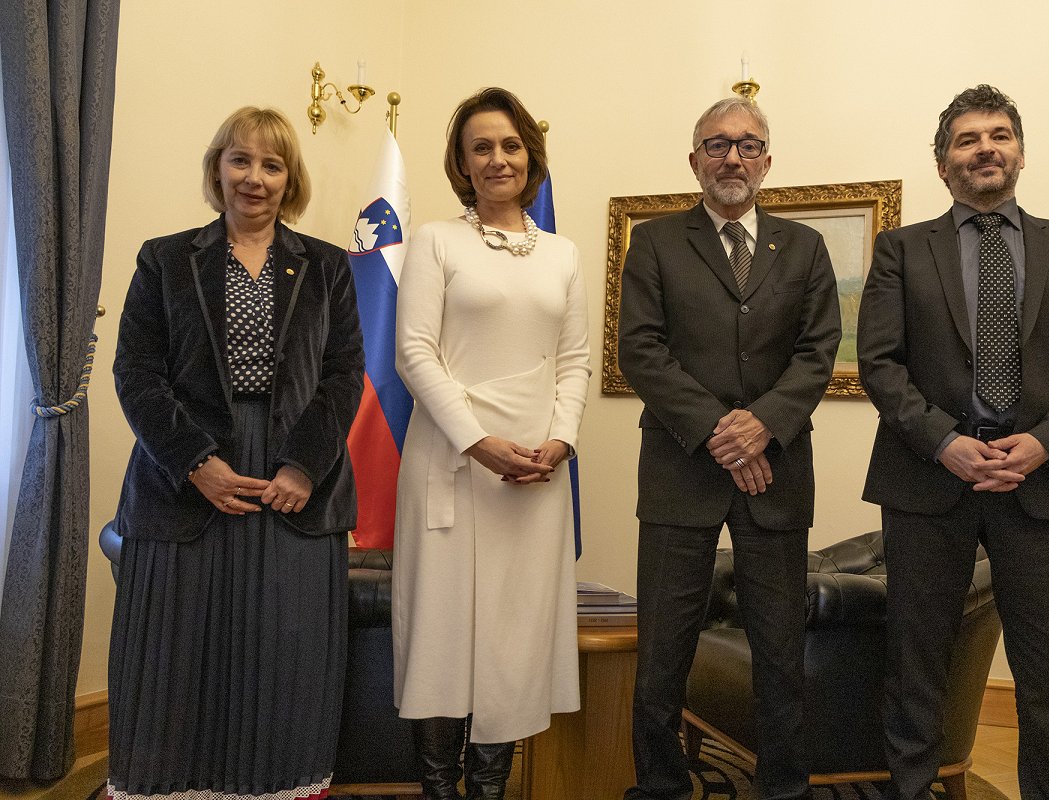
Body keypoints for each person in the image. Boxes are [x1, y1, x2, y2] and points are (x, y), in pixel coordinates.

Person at [857, 84, 1049, 800]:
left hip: (1043, 483)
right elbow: (880, 364)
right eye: (967, 139)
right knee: (916, 669)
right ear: (943, 164)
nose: (985, 148)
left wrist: (1043, 443)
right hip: (926, 483)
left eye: (999, 135)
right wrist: (942, 441)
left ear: (1021, 153)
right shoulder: (900, 250)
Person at [108, 107, 364, 800]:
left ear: (291, 180)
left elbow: (344, 375)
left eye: (272, 165)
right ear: (217, 166)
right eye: (241, 160)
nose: (255, 178)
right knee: (171, 656)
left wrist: (302, 467)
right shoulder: (164, 259)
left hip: (296, 481)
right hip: (183, 476)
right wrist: (196, 462)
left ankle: (277, 786)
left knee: (283, 658)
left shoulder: (328, 266)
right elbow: (136, 373)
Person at [618, 96, 842, 800]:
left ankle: (782, 787)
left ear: (768, 161)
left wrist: (763, 424)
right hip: (680, 470)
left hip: (775, 471)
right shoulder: (655, 242)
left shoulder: (803, 246)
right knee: (661, 654)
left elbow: (817, 351)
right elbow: (641, 352)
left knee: (779, 651)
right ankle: (660, 786)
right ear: (694, 161)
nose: (732, 157)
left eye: (748, 145)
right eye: (716, 145)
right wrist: (724, 429)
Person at [391, 87, 590, 800]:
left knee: (510, 644)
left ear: (530, 156)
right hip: (451, 464)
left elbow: (574, 363)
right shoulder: (437, 242)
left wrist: (560, 443)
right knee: (442, 638)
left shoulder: (564, 253)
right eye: (482, 147)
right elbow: (413, 354)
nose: (497, 158)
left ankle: (490, 792)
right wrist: (479, 444)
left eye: (510, 145)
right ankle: (439, 790)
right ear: (462, 162)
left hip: (533, 478)